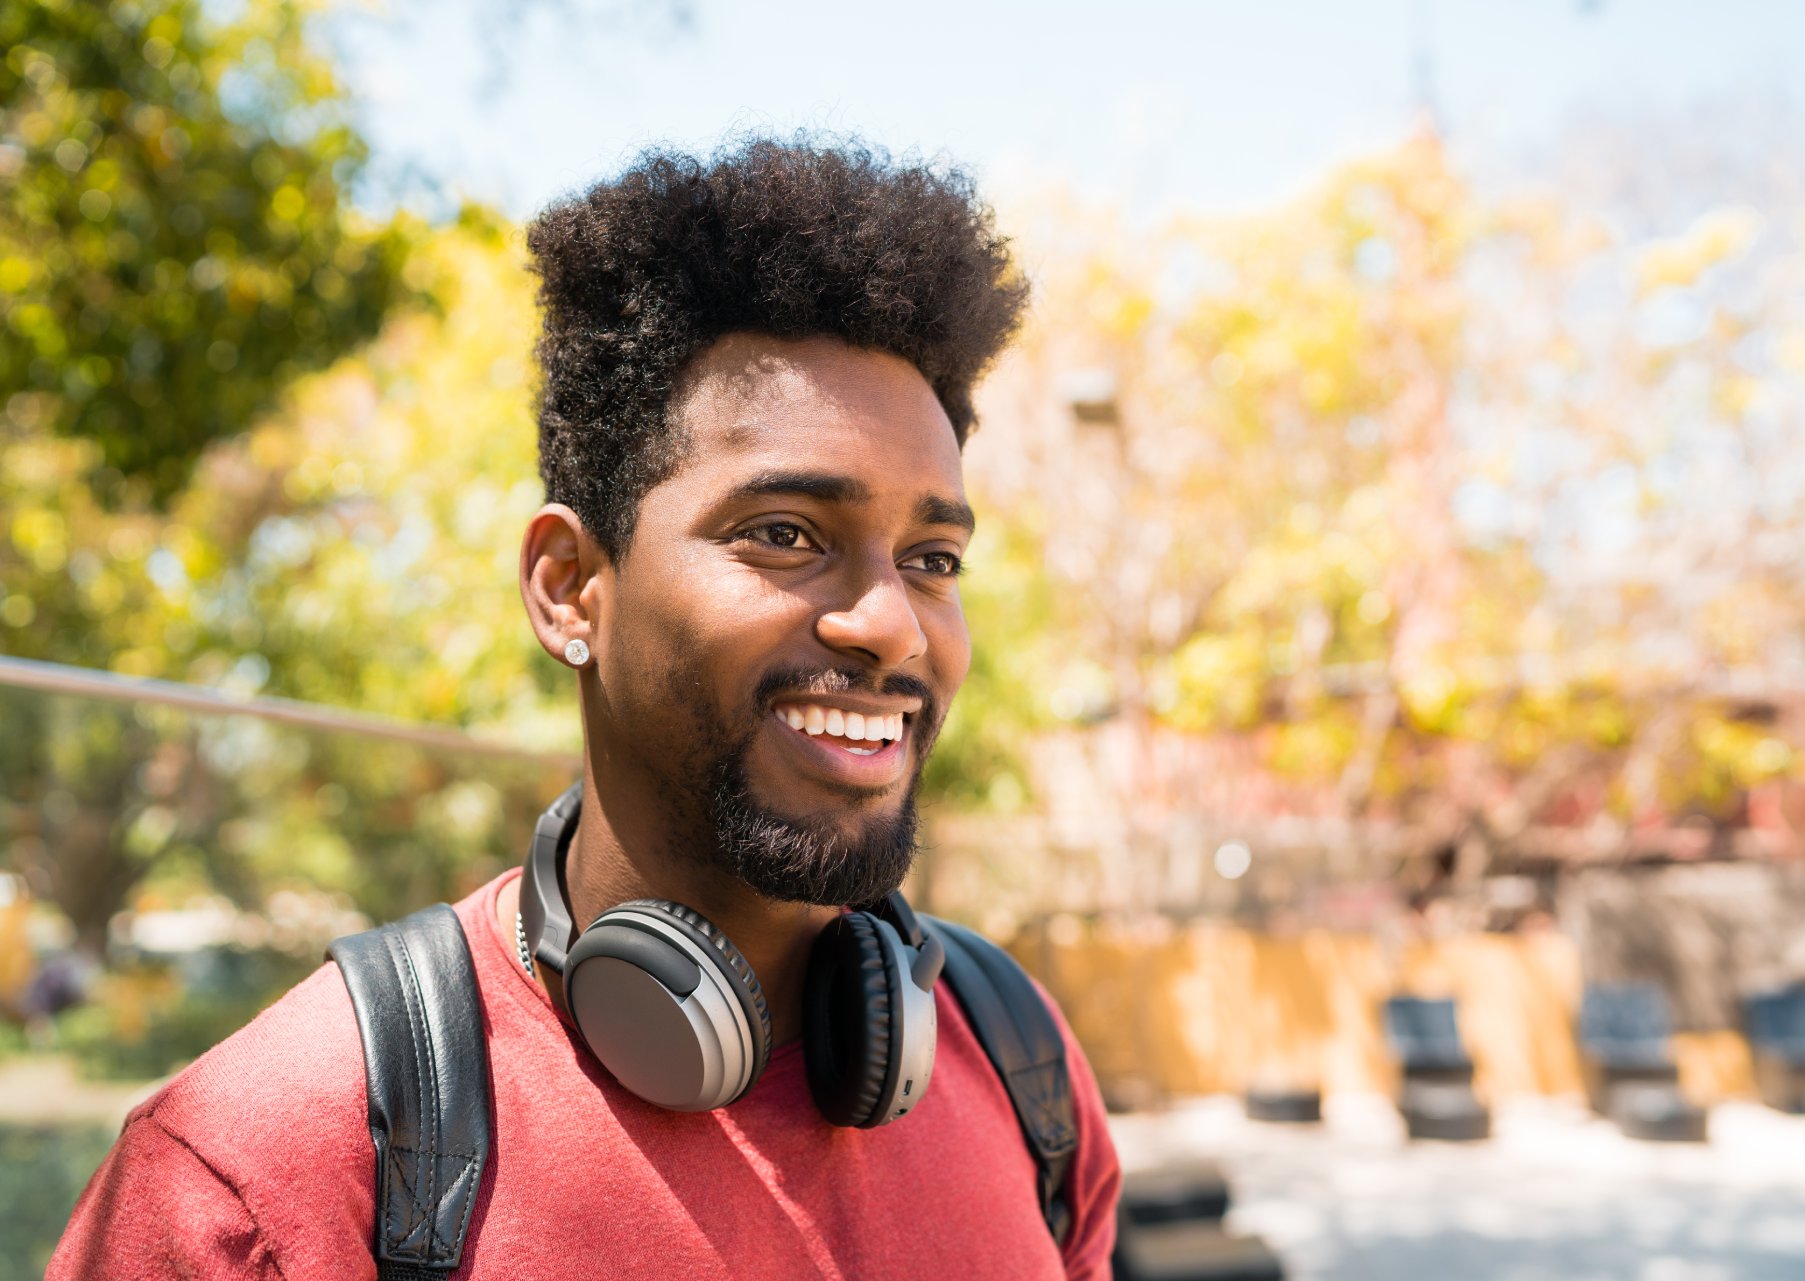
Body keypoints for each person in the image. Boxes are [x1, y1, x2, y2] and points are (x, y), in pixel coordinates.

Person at [50, 138, 1121, 1279]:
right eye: (785, 534)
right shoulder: (258, 1177)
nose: (892, 625)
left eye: (933, 556)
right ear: (569, 588)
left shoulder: (1024, 1072)